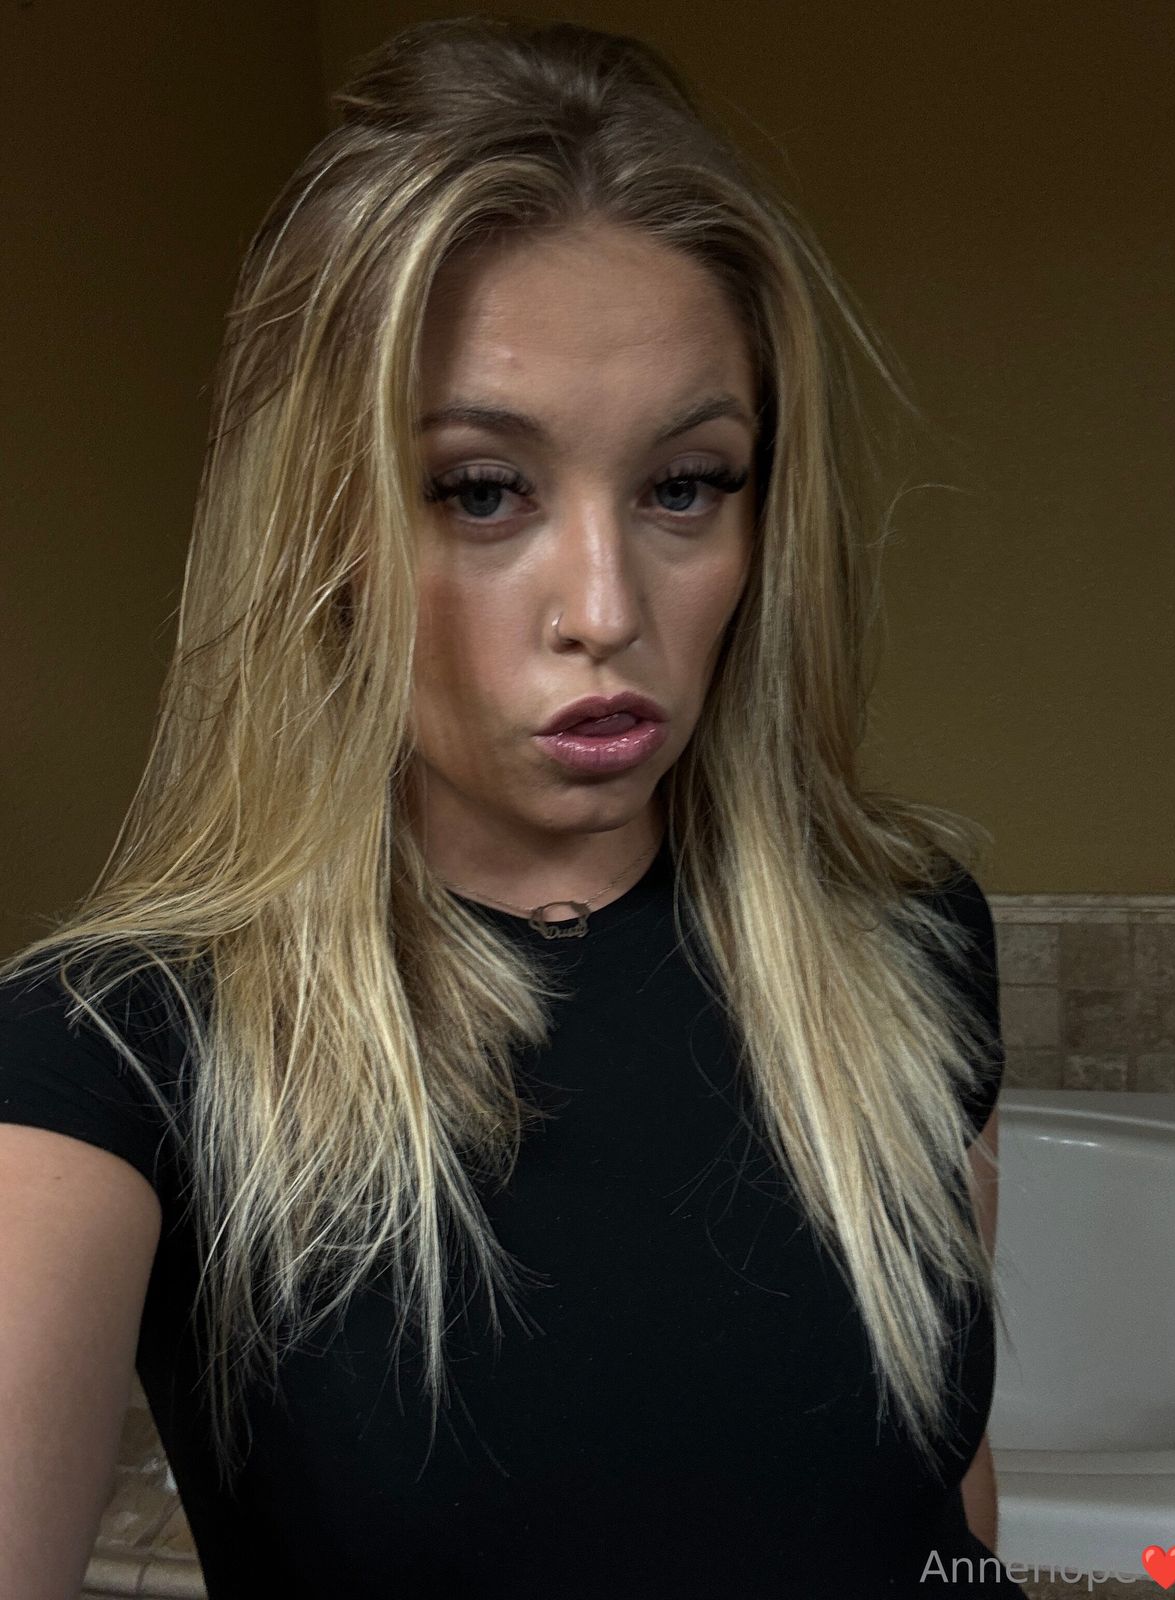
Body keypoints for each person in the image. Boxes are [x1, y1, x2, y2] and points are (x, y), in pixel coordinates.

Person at [0, 17, 1026, 1599]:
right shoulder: (113, 1055)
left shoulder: (906, 944)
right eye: (482, 490)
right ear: (322, 526)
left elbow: (951, 1515)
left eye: (685, 484)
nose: (604, 609)